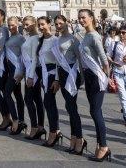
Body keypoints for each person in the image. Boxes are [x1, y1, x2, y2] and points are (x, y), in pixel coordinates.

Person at [78, 9, 111, 162]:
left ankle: (103, 146)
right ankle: (100, 145)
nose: (81, 20)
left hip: (96, 77)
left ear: (91, 18)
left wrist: (107, 78)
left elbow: (104, 59)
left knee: (95, 111)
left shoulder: (94, 36)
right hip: (90, 77)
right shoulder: (86, 35)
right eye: (79, 18)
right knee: (93, 112)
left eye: (83, 17)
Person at [52, 14, 83, 154]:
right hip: (63, 74)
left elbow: (80, 60)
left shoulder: (74, 39)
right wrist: (57, 79)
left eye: (60, 23)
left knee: (72, 107)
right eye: (56, 24)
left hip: (71, 75)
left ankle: (79, 139)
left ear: (66, 23)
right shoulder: (58, 40)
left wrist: (81, 79)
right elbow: (58, 63)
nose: (58, 26)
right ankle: (73, 137)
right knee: (69, 107)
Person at [37, 16, 62, 147]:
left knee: (49, 102)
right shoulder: (41, 40)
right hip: (44, 74)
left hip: (52, 75)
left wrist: (57, 79)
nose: (41, 27)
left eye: (43, 24)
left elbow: (59, 61)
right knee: (48, 103)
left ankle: (54, 132)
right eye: (39, 25)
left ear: (49, 24)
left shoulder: (55, 40)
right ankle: (55, 130)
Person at [21, 16, 45, 140]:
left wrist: (30, 76)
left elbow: (35, 58)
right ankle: (40, 127)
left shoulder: (36, 38)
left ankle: (35, 127)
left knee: (29, 99)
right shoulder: (30, 37)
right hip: (30, 71)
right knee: (37, 99)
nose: (25, 27)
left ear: (34, 24)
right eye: (24, 25)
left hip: (33, 72)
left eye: (27, 25)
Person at [3, 16, 26, 135]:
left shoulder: (21, 38)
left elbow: (23, 56)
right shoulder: (10, 37)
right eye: (9, 25)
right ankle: (21, 120)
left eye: (13, 25)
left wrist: (21, 72)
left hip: (16, 70)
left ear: (18, 25)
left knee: (7, 93)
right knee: (17, 94)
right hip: (10, 69)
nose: (11, 27)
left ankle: (16, 120)